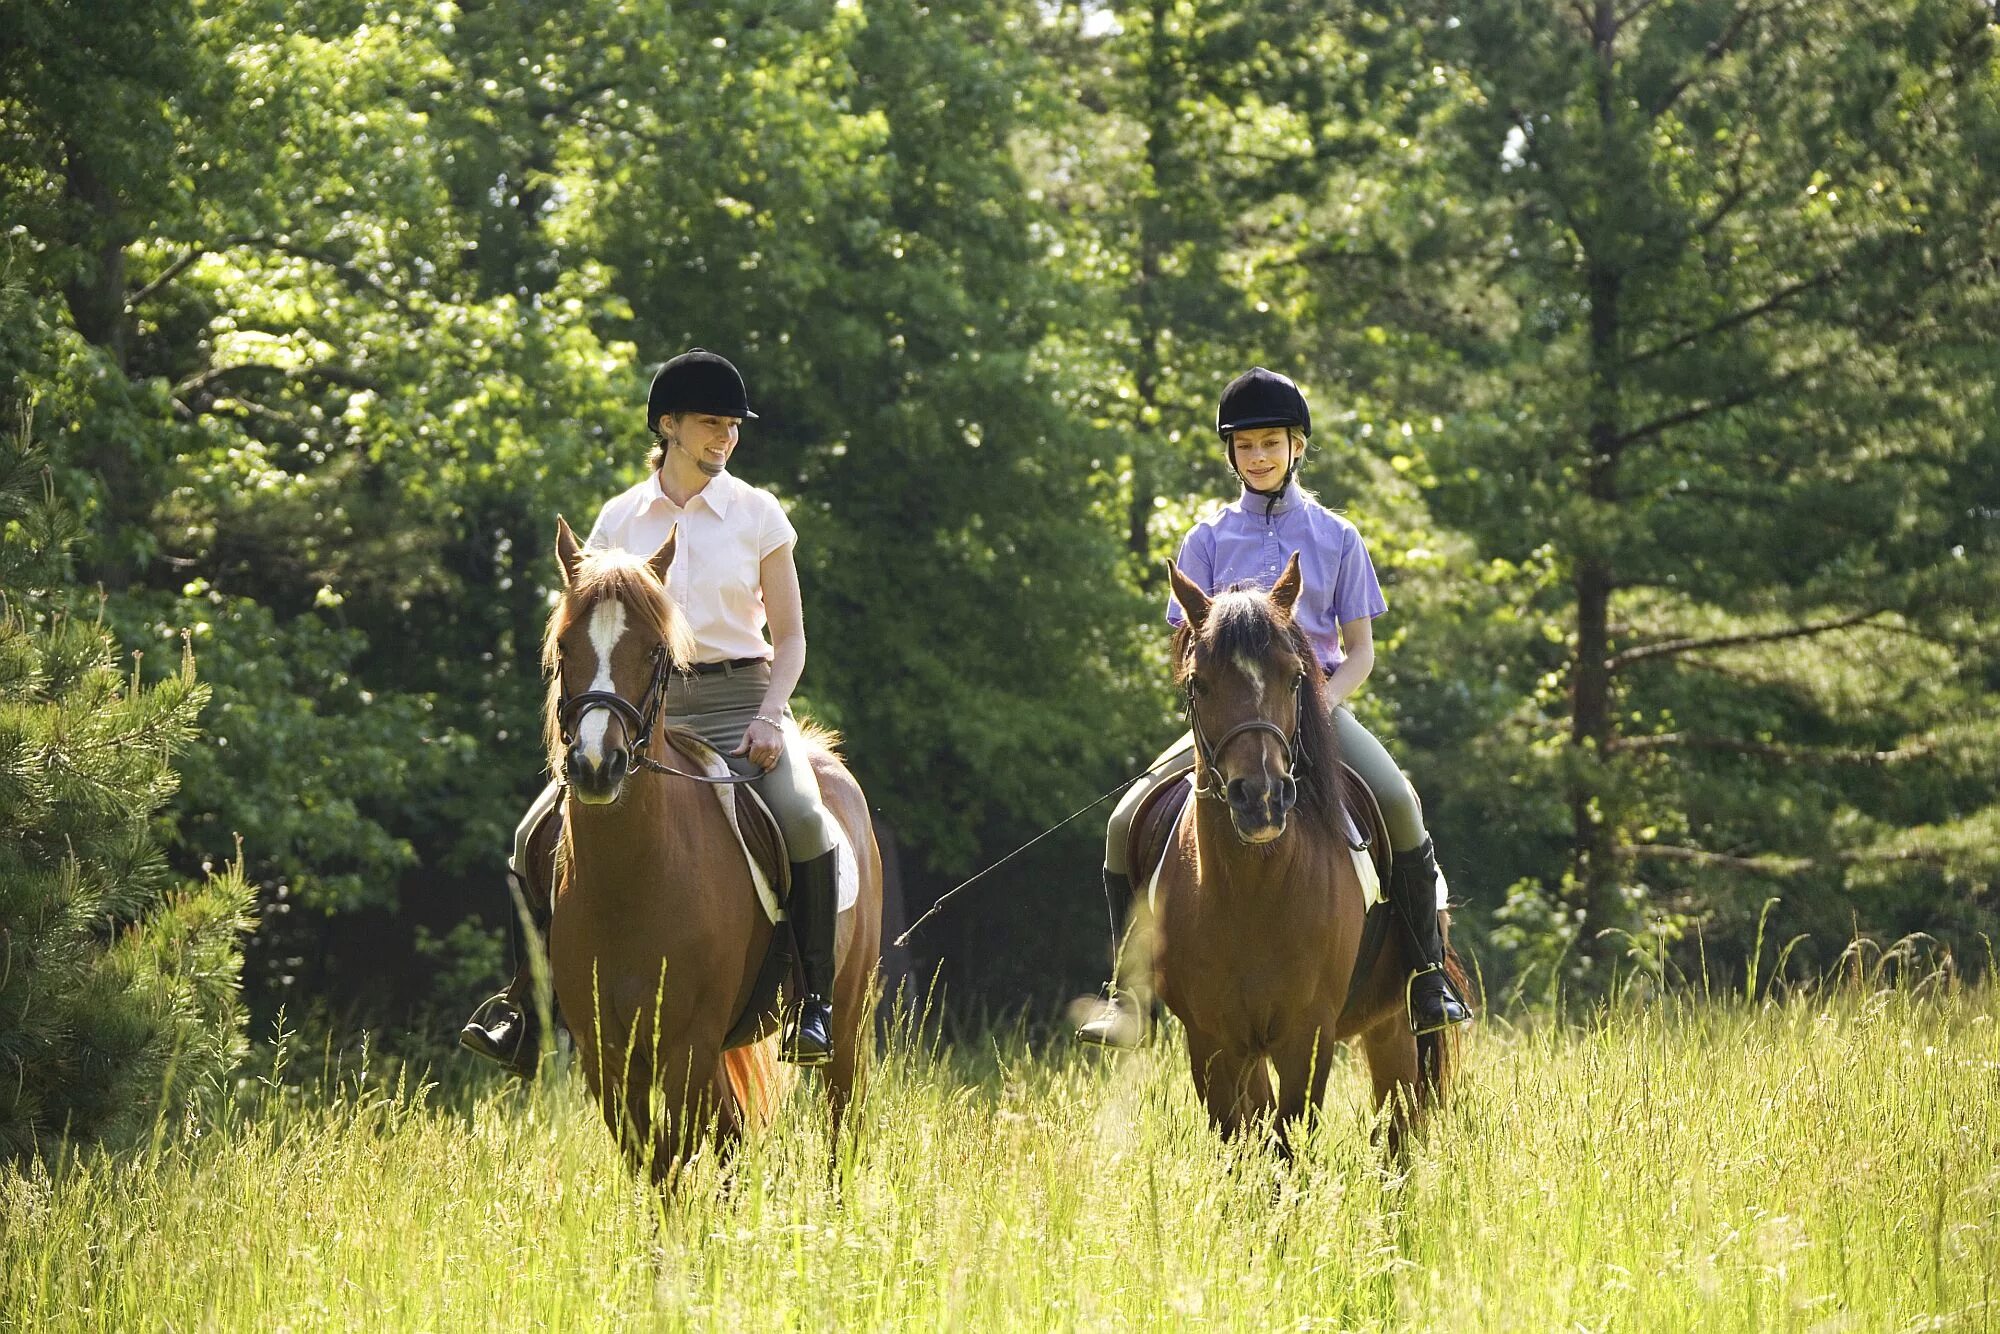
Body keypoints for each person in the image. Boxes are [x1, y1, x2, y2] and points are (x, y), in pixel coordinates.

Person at [459, 349, 844, 1073]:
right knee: (529, 834)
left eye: (732, 426)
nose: (724, 438)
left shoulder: (758, 514)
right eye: (709, 423)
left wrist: (771, 713)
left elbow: (789, 639)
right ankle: (524, 1005)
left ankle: (814, 1002)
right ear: (667, 425)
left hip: (737, 701)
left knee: (803, 818)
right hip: (639, 710)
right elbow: (591, 630)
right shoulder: (619, 519)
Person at [1076, 366, 1474, 1047]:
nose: (1258, 457)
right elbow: (1186, 648)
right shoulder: (1204, 539)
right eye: (1246, 446)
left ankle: (1424, 976)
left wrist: (1319, 706)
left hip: (1314, 710)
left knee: (1400, 806)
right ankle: (1127, 995)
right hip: (1230, 725)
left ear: (1297, 447)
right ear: (1231, 453)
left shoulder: (1337, 538)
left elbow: (1360, 652)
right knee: (1121, 822)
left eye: (1270, 444)